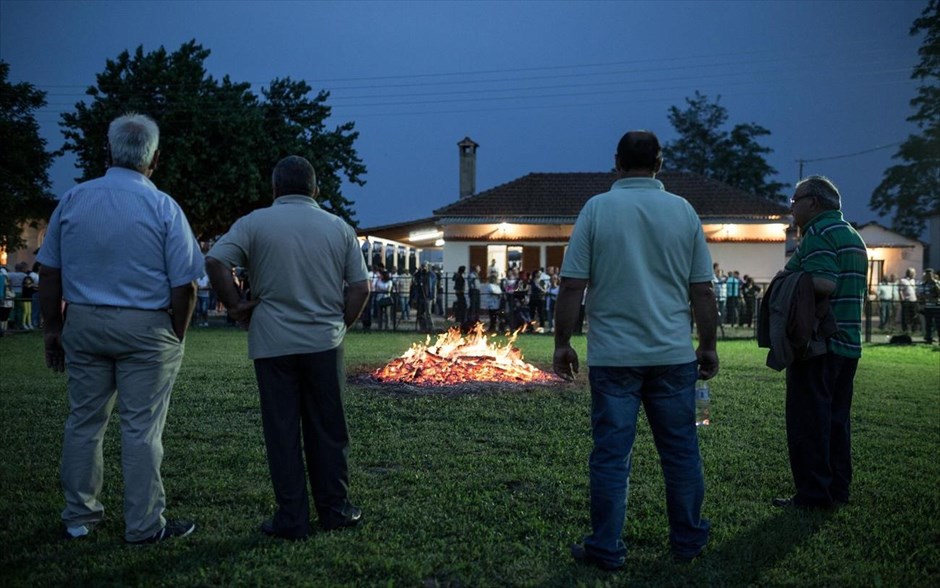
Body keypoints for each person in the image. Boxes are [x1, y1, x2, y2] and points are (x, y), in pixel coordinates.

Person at [553, 130, 719, 570]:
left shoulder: (597, 209)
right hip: (672, 355)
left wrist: (562, 342)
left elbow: (573, 284)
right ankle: (687, 540)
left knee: (611, 455)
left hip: (614, 357)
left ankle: (606, 547)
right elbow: (702, 289)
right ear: (659, 163)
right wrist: (707, 345)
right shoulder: (683, 211)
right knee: (681, 451)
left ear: (617, 162)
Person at [37, 113, 203, 543]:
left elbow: (49, 273)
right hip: (146, 327)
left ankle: (79, 517)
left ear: (107, 150)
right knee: (141, 428)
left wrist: (52, 329)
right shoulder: (164, 206)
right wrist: (176, 333)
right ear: (156, 159)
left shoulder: (74, 199)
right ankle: (144, 525)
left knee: (84, 421)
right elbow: (185, 284)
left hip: (85, 320)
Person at [206, 155, 370, 540]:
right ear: (315, 189)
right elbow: (360, 287)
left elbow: (215, 260)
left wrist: (234, 306)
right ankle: (335, 509)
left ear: (275, 188)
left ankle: (291, 518)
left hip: (272, 342)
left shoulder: (254, 223)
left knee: (281, 431)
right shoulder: (338, 227)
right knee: (328, 428)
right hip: (323, 343)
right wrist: (341, 323)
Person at [772, 175, 867, 510]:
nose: (792, 206)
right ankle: (837, 490)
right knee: (836, 421)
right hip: (847, 343)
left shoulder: (819, 234)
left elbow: (824, 283)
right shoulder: (852, 235)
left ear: (812, 202)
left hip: (819, 345)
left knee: (809, 422)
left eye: (795, 200)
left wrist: (788, 280)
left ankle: (813, 495)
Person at [919, 269, 939, 344]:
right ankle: (929, 338)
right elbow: (921, 295)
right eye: (927, 275)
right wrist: (932, 296)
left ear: (933, 275)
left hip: (937, 306)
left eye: (930, 275)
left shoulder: (937, 282)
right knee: (928, 323)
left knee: (937, 323)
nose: (929, 277)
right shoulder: (923, 284)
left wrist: (935, 283)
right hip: (928, 306)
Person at [898, 268, 918, 333]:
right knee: (905, 316)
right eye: (914, 273)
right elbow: (900, 291)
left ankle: (914, 330)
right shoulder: (903, 280)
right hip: (906, 300)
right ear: (910, 273)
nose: (915, 274)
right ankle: (905, 330)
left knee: (914, 315)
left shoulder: (913, 281)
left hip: (913, 300)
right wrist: (902, 300)